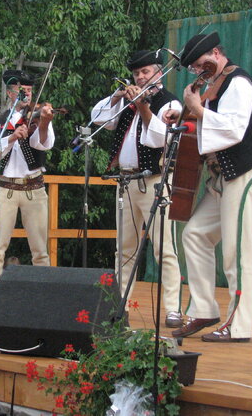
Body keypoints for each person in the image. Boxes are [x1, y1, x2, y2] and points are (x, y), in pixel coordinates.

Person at [171, 32, 252, 342]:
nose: (197, 71)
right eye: (193, 68)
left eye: (200, 64)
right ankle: (204, 309)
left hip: (244, 173)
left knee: (235, 251)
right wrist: (185, 115)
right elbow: (206, 126)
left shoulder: (238, 82)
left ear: (216, 53)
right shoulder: (215, 86)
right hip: (222, 178)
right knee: (195, 234)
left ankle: (239, 325)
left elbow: (233, 129)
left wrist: (198, 110)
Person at [91, 50, 184, 328]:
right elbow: (98, 119)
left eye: (145, 72)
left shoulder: (170, 102)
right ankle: (119, 306)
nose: (140, 77)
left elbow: (159, 139)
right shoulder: (125, 102)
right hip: (126, 181)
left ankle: (173, 308)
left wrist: (143, 107)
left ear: (158, 73)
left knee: (163, 248)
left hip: (155, 181)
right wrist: (118, 97)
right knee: (124, 249)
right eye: (136, 74)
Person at [0, 69, 54, 311]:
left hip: (34, 187)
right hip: (6, 187)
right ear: (11, 93)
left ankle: (45, 295)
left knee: (40, 248)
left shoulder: (38, 116)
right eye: (21, 91)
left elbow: (45, 144)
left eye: (29, 91)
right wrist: (11, 138)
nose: (27, 95)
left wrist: (44, 123)